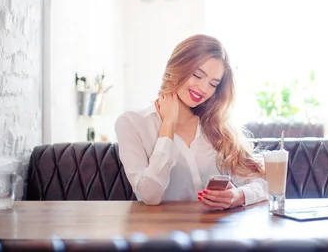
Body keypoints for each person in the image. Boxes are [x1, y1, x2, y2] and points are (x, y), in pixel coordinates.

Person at [115, 34, 268, 208]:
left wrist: (238, 195)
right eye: (197, 75)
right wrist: (168, 126)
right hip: (162, 232)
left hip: (216, 231)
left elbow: (263, 183)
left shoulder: (217, 125)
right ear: (177, 67)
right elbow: (150, 195)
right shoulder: (132, 123)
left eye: (213, 84)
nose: (204, 89)